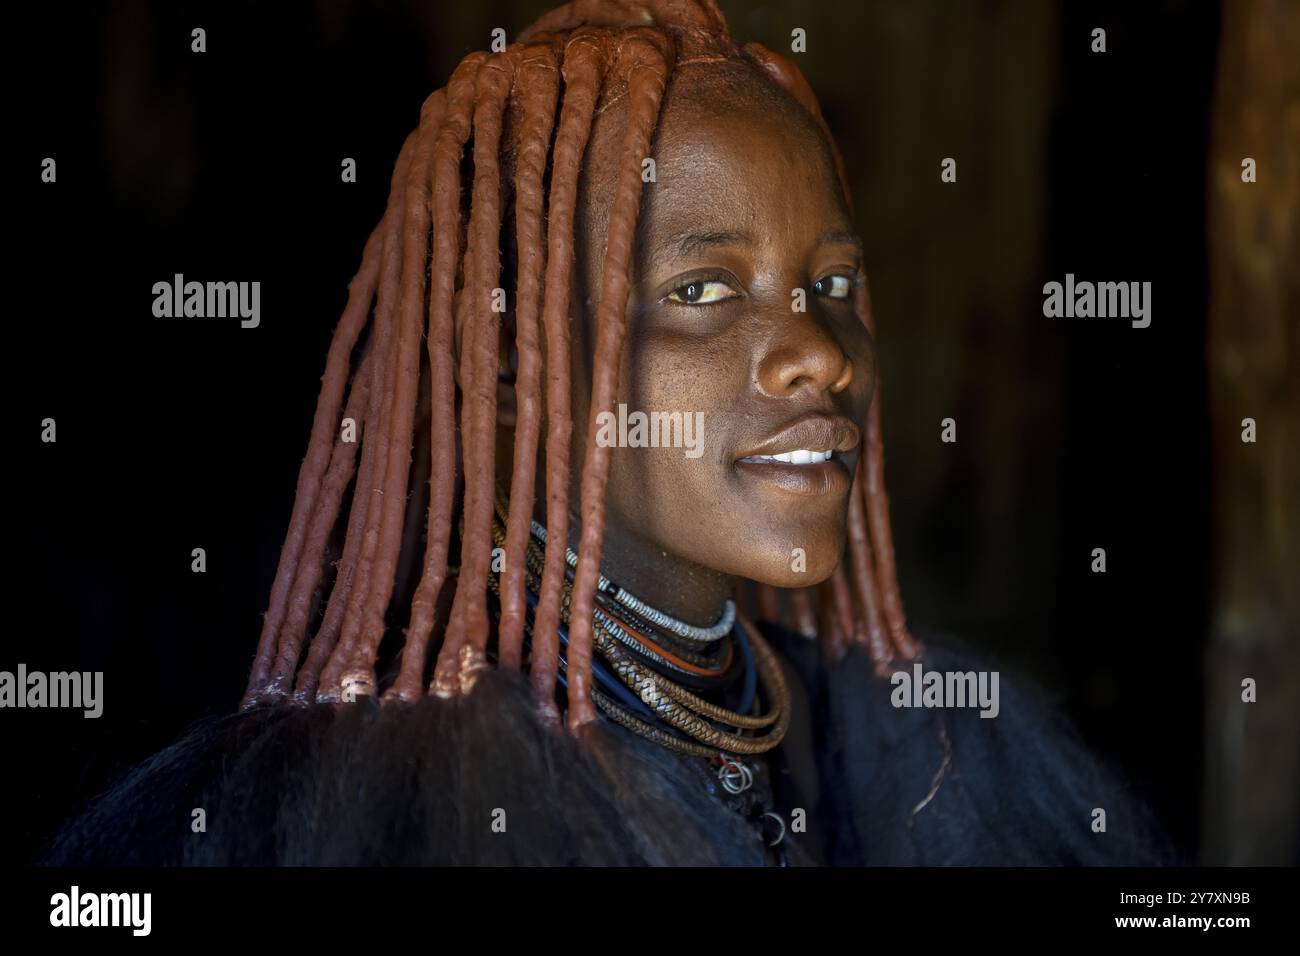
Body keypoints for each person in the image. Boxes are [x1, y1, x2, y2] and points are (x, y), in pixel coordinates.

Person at [44, 0, 1176, 866]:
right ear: (504, 369)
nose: (820, 352)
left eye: (832, 282)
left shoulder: (932, 751)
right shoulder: (374, 814)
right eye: (701, 289)